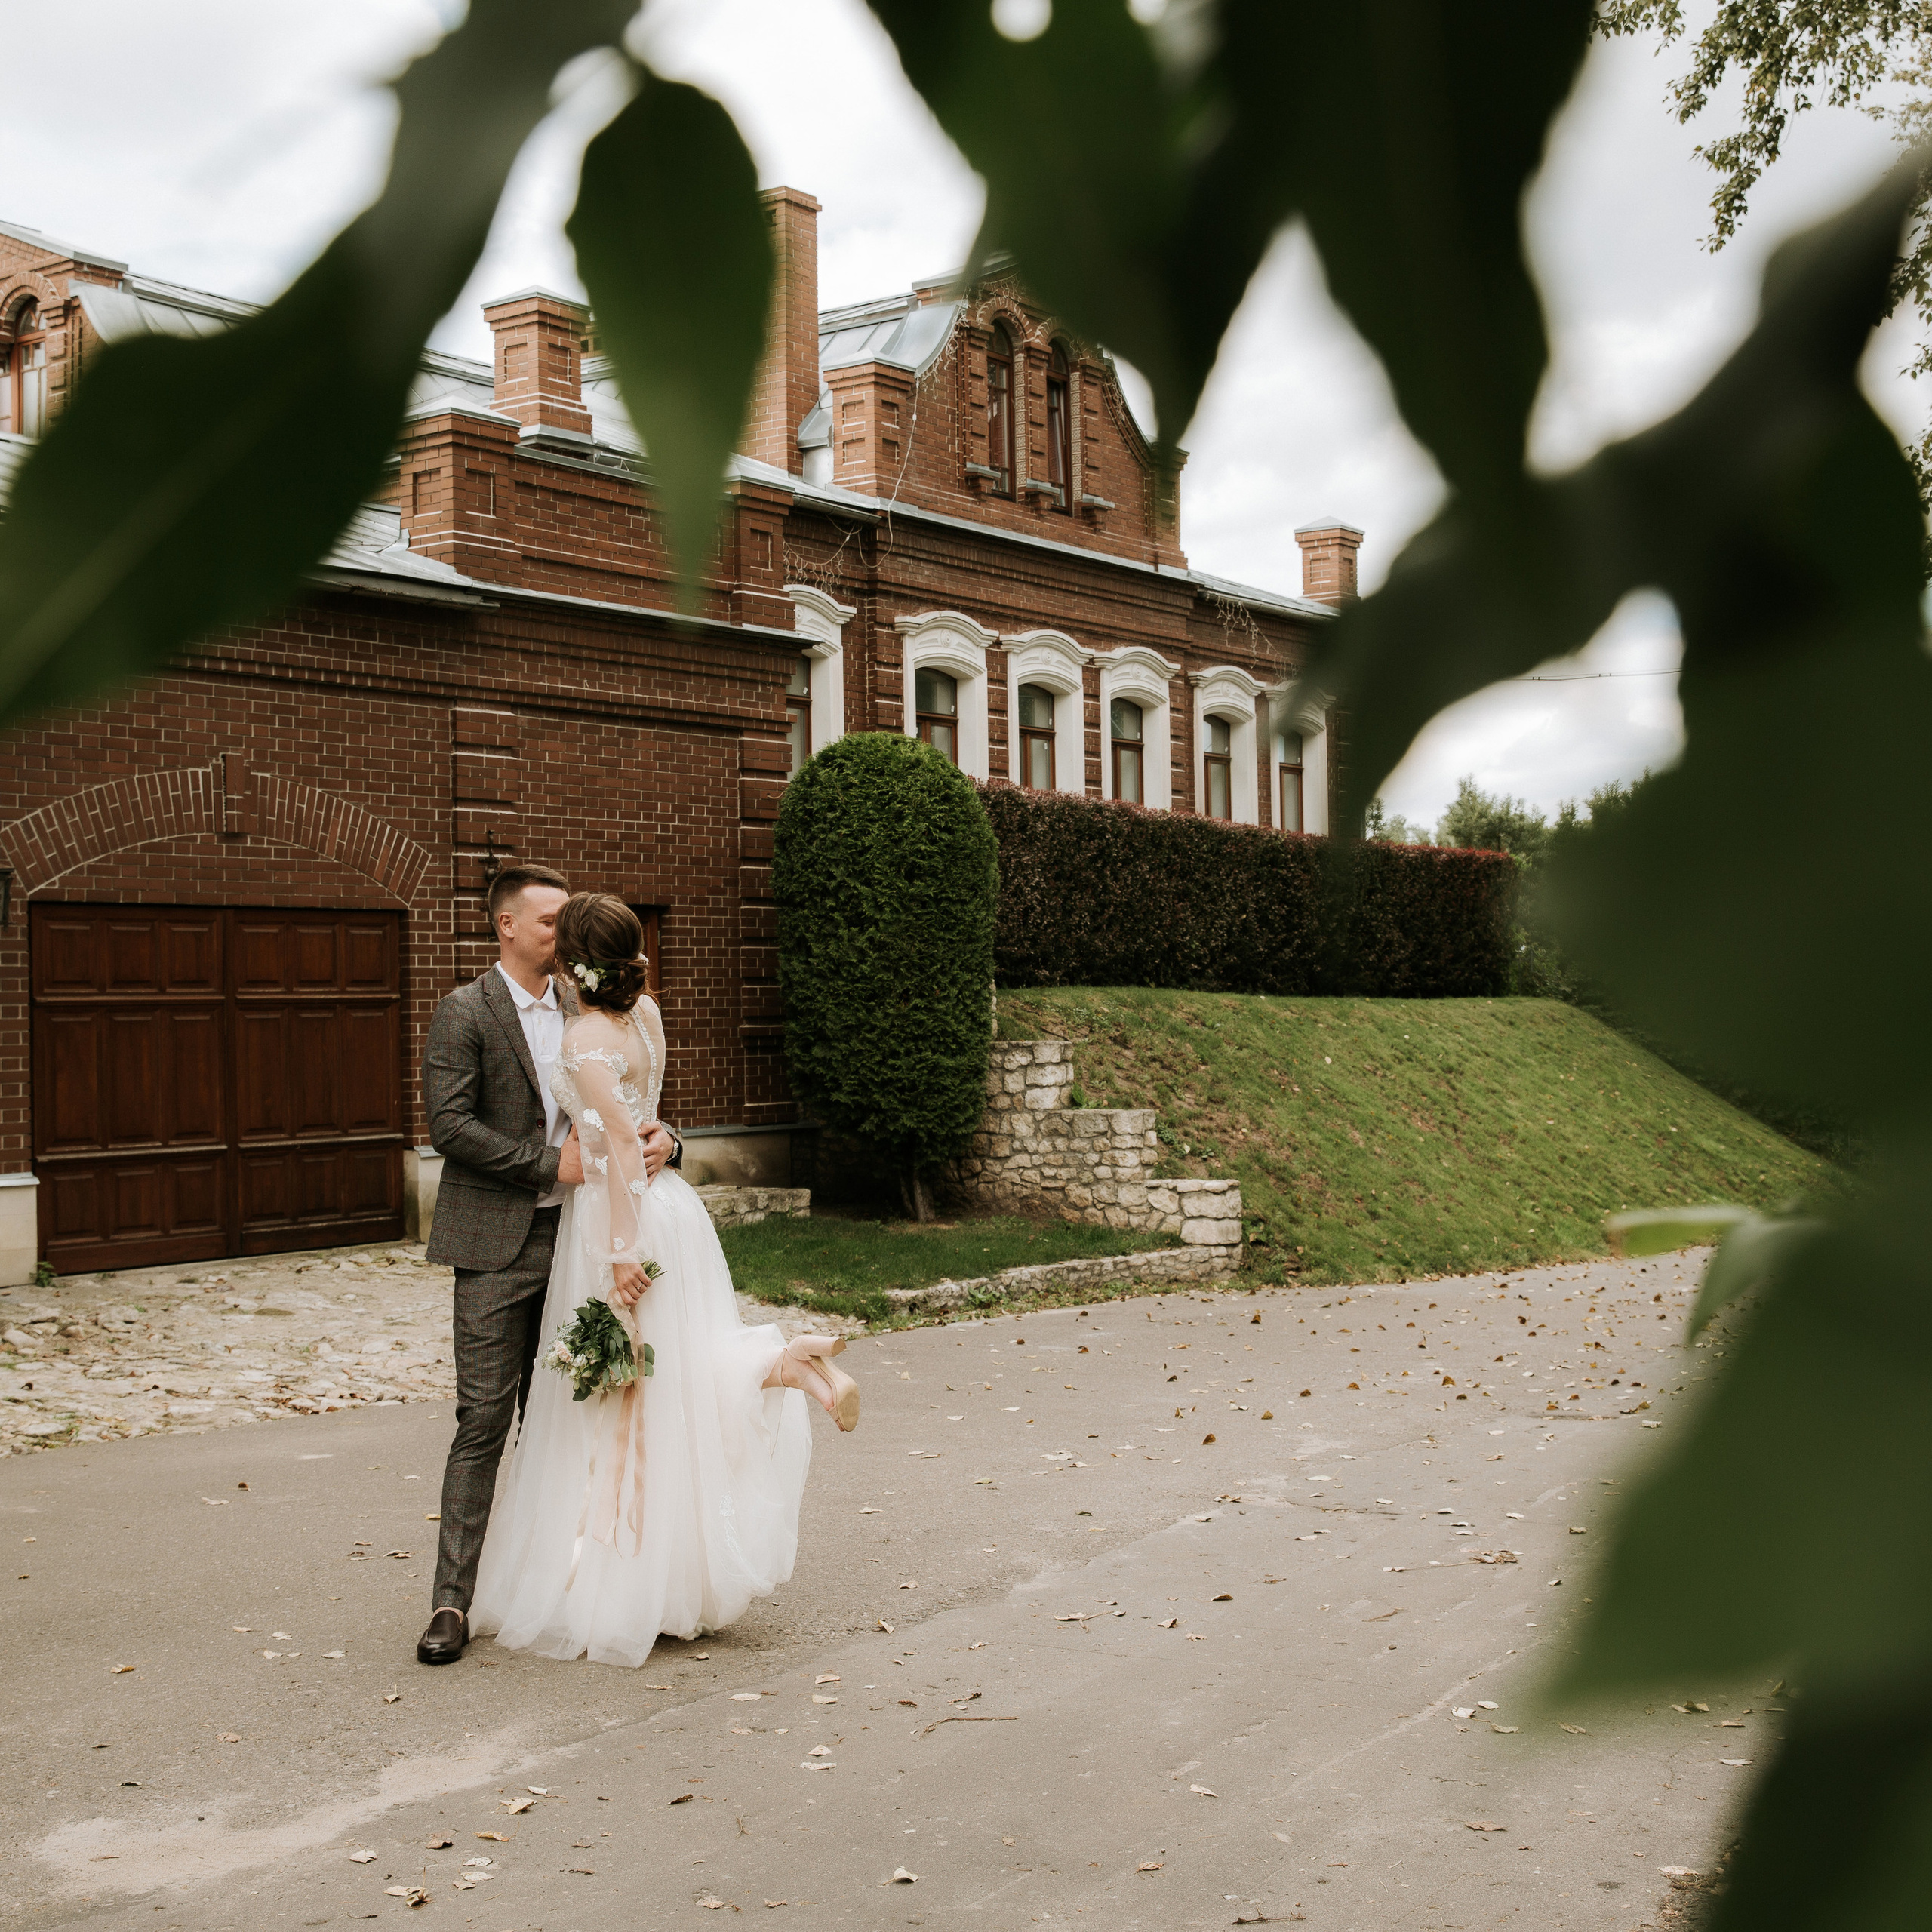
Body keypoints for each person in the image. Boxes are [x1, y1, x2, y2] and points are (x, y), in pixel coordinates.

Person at [466, 892, 858, 1669]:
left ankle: (627, 1581)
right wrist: (666, 1146)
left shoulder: (582, 1036)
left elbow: (617, 1143)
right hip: (677, 1214)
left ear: (573, 962)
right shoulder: (646, 1013)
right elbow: (651, 1115)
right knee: (675, 1371)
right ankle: (783, 1363)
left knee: (627, 1397)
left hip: (623, 1221)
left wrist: (618, 1258)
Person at [414, 866, 684, 1667]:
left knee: (572, 1419)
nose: (562, 934)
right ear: (506, 927)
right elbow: (448, 1125)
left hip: (582, 1243)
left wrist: (670, 1137)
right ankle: (452, 1602)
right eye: (548, 921)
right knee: (482, 1421)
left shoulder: (591, 1004)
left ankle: (567, 1583)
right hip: (496, 1245)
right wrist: (547, 1165)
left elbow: (628, 1106)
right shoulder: (463, 1011)